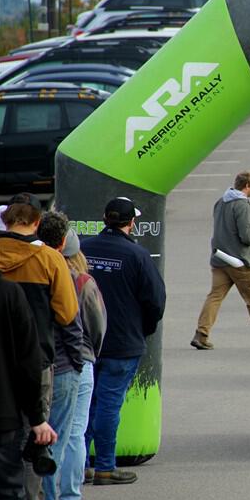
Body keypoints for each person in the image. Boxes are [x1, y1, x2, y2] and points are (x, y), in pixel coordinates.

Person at [0, 193, 78, 500]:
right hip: (38, 358)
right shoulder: (49, 259)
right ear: (36, 222)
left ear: (7, 221)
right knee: (33, 438)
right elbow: (67, 312)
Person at [81, 196, 166, 485]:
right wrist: (145, 328)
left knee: (86, 404)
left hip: (86, 342)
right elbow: (155, 301)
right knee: (108, 405)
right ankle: (105, 466)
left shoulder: (84, 248)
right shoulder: (137, 255)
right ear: (132, 222)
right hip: (122, 343)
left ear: (105, 219)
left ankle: (79, 465)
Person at [192, 172, 250, 351]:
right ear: (247, 186)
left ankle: (201, 334)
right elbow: (246, 236)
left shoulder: (221, 202)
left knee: (214, 297)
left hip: (220, 259)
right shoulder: (241, 205)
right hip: (240, 261)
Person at [0, 271, 60, 500]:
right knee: (11, 497)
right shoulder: (9, 293)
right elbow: (28, 363)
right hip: (4, 417)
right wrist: (37, 418)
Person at [35, 213, 87, 500]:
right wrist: (78, 359)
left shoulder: (25, 263)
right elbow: (72, 320)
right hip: (62, 365)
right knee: (58, 438)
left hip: (27, 364)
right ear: (65, 241)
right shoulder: (62, 270)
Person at [57, 229, 105, 500]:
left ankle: (45, 496)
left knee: (49, 431)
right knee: (75, 432)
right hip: (79, 359)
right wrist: (91, 353)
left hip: (44, 361)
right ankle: (69, 497)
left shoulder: (39, 275)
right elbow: (97, 325)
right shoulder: (82, 282)